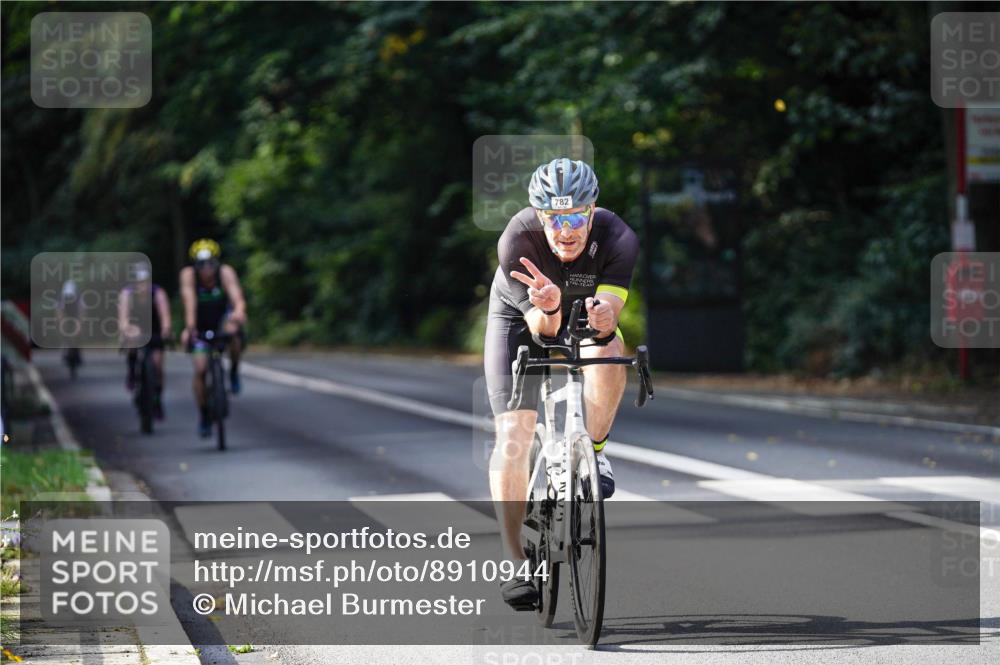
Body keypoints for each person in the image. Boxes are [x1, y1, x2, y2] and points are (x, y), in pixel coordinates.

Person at [484, 158, 638, 609]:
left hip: (586, 310)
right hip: (523, 316)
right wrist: (549, 306)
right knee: (513, 434)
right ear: (540, 216)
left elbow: (608, 314)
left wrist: (606, 317)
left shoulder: (619, 237)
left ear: (593, 212)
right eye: (554, 218)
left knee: (608, 350)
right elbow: (542, 333)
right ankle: (513, 560)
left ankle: (595, 453)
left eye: (575, 218)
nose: (565, 230)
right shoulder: (517, 238)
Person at [179, 239, 247, 437]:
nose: (206, 269)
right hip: (200, 322)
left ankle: (233, 370)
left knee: (234, 332)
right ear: (195, 265)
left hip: (221, 319)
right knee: (200, 369)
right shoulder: (188, 276)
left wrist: (239, 312)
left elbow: (237, 297)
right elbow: (189, 301)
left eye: (211, 264)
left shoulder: (225, 273)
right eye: (201, 265)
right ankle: (203, 413)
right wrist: (190, 328)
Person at [118, 264, 172, 418]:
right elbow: (123, 320)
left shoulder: (158, 293)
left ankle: (157, 399)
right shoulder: (127, 294)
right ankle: (131, 372)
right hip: (135, 330)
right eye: (138, 282)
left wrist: (166, 331)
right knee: (131, 341)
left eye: (144, 282)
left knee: (158, 365)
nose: (141, 286)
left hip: (154, 331)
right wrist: (127, 330)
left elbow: (165, 318)